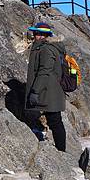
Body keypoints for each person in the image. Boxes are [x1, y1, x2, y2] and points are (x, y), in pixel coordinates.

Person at [25, 22, 67, 152]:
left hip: (49, 92)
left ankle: (61, 152)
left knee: (55, 122)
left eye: (37, 33)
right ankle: (61, 151)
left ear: (43, 35)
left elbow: (44, 71)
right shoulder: (43, 48)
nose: (34, 35)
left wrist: (35, 91)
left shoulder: (46, 49)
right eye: (35, 33)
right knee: (54, 121)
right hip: (49, 91)